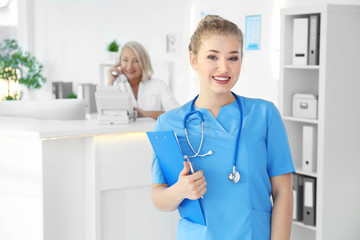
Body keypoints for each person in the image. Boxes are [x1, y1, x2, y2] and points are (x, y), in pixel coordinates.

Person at [151, 15, 295, 240]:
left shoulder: (264, 114)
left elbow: (283, 191)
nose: (223, 68)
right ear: (193, 60)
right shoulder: (169, 124)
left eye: (233, 57)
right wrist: (180, 191)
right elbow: (158, 196)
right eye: (212, 57)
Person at [108, 41, 179, 119]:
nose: (129, 67)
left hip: (151, 131)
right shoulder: (117, 87)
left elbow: (176, 113)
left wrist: (145, 114)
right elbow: (107, 115)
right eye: (125, 60)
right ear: (119, 63)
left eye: (136, 61)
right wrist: (110, 82)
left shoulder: (159, 85)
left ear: (144, 62)